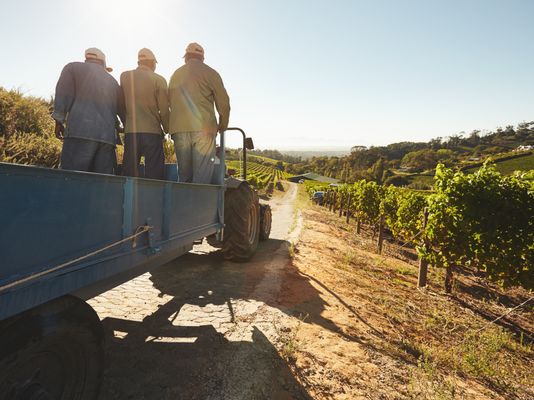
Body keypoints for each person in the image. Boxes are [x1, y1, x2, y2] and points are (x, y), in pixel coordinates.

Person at [52, 48, 125, 174]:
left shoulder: (72, 68)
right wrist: (121, 128)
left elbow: (64, 95)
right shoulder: (112, 81)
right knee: (102, 184)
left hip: (80, 132)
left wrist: (59, 120)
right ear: (103, 62)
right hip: (107, 139)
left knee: (72, 178)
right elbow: (119, 109)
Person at [168, 42, 230, 183]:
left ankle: (182, 204)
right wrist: (223, 125)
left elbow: (169, 101)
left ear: (186, 57)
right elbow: (224, 104)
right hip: (204, 130)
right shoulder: (211, 73)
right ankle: (198, 204)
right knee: (201, 178)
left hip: (179, 131)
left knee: (183, 176)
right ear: (202, 57)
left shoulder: (176, 74)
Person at [120, 48, 170, 179]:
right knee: (154, 173)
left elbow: (121, 103)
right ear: (152, 62)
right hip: (152, 132)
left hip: (131, 132)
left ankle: (129, 198)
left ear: (139, 61)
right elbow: (164, 110)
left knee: (129, 173)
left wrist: (126, 124)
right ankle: (152, 198)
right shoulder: (159, 80)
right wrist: (167, 129)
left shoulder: (125, 76)